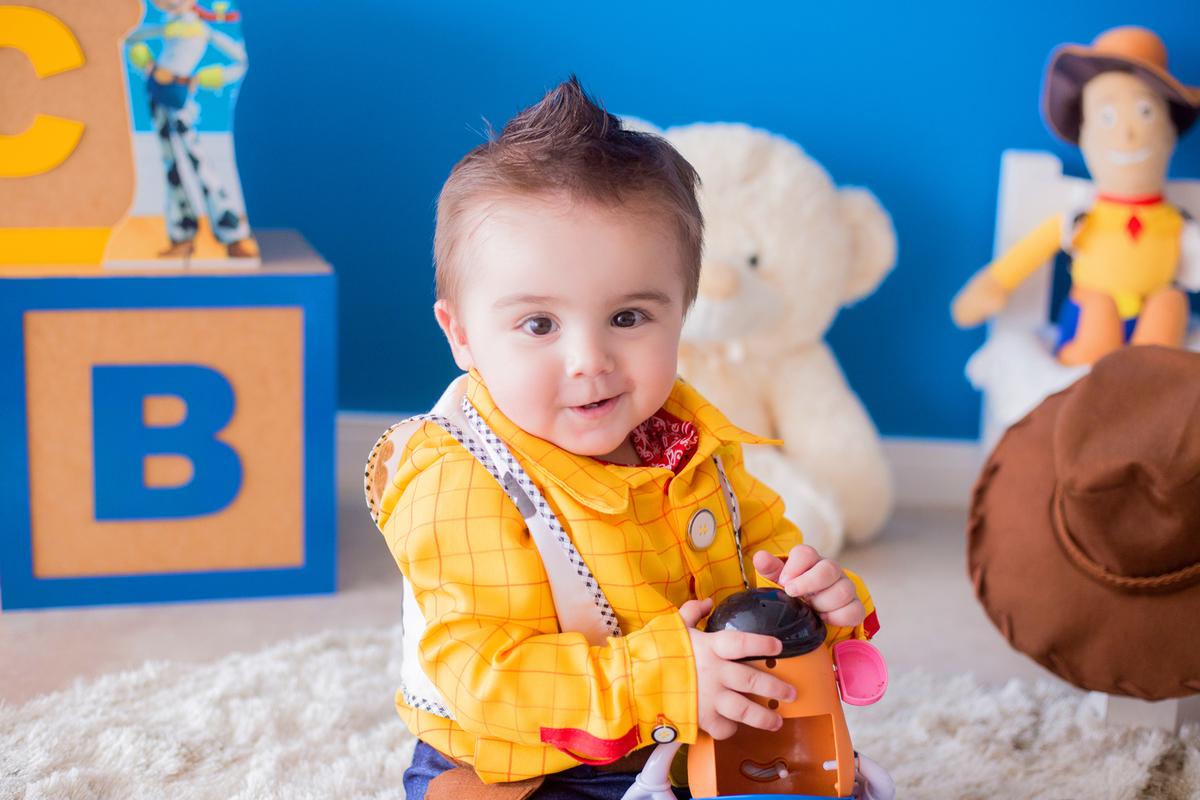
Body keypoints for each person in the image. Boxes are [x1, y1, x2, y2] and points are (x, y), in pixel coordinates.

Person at [366, 78, 879, 800]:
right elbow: (486, 676)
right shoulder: (461, 478)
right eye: (539, 324)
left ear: (682, 312)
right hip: (534, 761)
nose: (590, 360)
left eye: (629, 318)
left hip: (693, 730)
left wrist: (811, 605)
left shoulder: (692, 441)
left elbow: (761, 562)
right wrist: (664, 678)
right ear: (462, 336)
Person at [951, 26, 1200, 366]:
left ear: (1169, 130)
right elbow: (1031, 250)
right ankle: (1091, 367)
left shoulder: (1176, 222)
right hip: (1089, 320)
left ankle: (1147, 374)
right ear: (1085, 133)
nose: (1128, 133)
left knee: (1170, 301)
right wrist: (994, 284)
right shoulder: (1080, 219)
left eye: (1145, 113)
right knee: (1098, 308)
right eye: (1107, 117)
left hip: (1149, 322)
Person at [126, 0, 258, 259]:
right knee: (170, 162)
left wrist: (203, 78)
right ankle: (182, 233)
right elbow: (129, 38)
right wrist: (147, 63)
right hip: (157, 92)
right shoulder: (168, 26)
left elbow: (241, 60)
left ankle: (232, 232)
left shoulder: (201, 29)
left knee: (198, 160)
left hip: (179, 93)